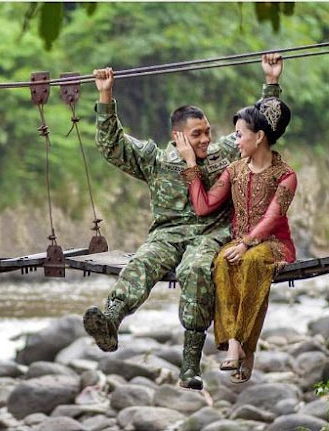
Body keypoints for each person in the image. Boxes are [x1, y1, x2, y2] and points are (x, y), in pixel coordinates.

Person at [83, 54, 283, 390]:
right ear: (178, 136)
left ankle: (190, 364)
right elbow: (113, 145)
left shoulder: (224, 153)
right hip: (167, 233)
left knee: (195, 270)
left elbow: (263, 125)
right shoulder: (157, 159)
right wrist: (105, 96)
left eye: (207, 132)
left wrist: (271, 81)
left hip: (211, 234)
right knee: (143, 261)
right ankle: (111, 320)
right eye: (197, 134)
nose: (205, 139)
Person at [175, 55, 296, 384]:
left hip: (273, 245)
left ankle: (243, 346)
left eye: (240, 134)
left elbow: (273, 218)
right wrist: (189, 165)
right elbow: (204, 206)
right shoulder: (235, 170)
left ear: (259, 137)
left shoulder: (285, 175)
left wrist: (245, 243)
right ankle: (235, 345)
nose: (235, 139)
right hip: (238, 243)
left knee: (253, 261)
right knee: (223, 263)